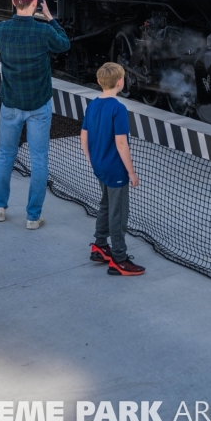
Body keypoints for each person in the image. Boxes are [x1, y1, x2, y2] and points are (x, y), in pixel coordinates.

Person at [0, 0, 70, 228]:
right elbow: (64, 44)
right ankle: (33, 217)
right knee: (39, 160)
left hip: (11, 104)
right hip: (38, 106)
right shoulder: (43, 31)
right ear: (36, 4)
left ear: (14, 2)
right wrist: (51, 19)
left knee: (5, 156)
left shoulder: (1, 29)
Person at [81, 62, 145, 277]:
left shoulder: (93, 104)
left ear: (99, 82)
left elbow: (84, 136)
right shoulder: (118, 108)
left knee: (106, 205)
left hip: (99, 164)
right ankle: (119, 258)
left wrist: (92, 159)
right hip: (115, 169)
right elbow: (121, 143)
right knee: (118, 213)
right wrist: (132, 172)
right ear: (120, 82)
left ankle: (99, 246)